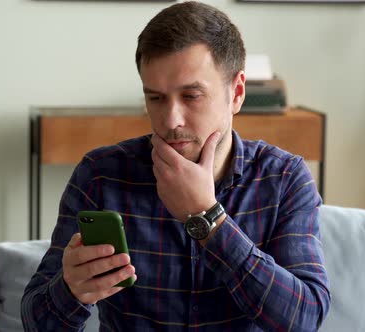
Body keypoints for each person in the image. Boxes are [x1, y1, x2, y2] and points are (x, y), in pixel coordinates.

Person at [21, 2, 331, 331]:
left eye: (191, 96)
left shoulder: (284, 178)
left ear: (237, 92)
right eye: (155, 98)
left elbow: (305, 318)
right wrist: (70, 291)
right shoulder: (101, 174)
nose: (171, 120)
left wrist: (208, 219)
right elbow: (34, 321)